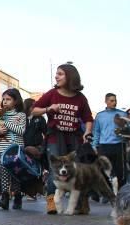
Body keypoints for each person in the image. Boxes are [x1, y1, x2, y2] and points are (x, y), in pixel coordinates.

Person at [32, 63, 94, 214]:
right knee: (55, 168)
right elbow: (34, 110)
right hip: (55, 136)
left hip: (74, 137)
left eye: (60, 74)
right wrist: (48, 109)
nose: (56, 76)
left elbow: (88, 118)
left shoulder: (80, 98)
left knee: (77, 170)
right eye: (56, 74)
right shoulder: (52, 93)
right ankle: (52, 201)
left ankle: (81, 202)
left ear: (70, 76)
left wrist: (87, 132)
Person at [92, 93, 128, 188]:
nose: (114, 102)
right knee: (104, 169)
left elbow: (129, 130)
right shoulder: (100, 116)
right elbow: (97, 131)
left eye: (115, 100)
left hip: (119, 145)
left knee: (121, 170)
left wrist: (124, 131)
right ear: (106, 101)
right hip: (104, 145)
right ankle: (107, 191)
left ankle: (121, 190)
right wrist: (94, 145)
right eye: (112, 101)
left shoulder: (122, 114)